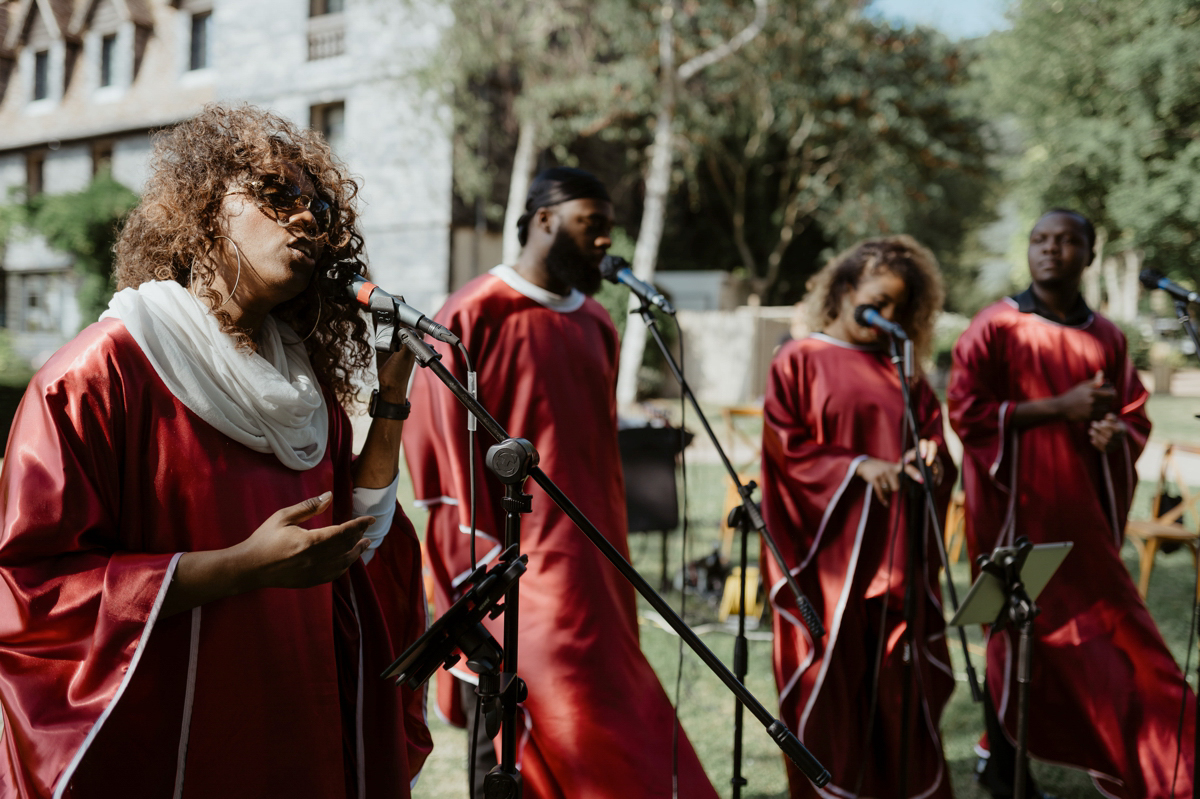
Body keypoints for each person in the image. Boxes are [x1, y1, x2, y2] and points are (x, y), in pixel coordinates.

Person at [0, 104, 432, 798]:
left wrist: (389, 400)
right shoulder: (100, 375)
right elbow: (31, 588)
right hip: (173, 738)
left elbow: (359, 540)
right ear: (202, 214)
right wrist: (237, 569)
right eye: (275, 196)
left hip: (301, 720)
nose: (307, 220)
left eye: (320, 208)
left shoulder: (305, 389)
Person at [403, 167, 719, 798]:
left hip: (598, 567)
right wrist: (481, 570)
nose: (605, 240)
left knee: (618, 720)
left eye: (608, 227)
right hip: (514, 570)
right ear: (544, 219)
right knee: (532, 725)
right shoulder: (473, 312)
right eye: (591, 223)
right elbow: (439, 449)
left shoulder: (599, 323)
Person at [948, 209, 1194, 799]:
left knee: (1115, 638)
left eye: (1066, 241)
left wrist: (1114, 437)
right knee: (1016, 633)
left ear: (1089, 254)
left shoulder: (1106, 336)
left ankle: (1161, 759)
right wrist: (1059, 407)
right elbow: (968, 412)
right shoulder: (995, 326)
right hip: (1016, 513)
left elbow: (1131, 416)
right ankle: (1005, 768)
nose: (1050, 250)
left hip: (1083, 523)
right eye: (1040, 240)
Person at [760, 236, 958, 799]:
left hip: (895, 562)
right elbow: (785, 449)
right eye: (877, 301)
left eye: (899, 306)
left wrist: (931, 456)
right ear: (846, 290)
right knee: (832, 691)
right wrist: (857, 466)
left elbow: (935, 440)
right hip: (825, 565)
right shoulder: (798, 359)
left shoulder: (906, 373)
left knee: (897, 689)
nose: (885, 316)